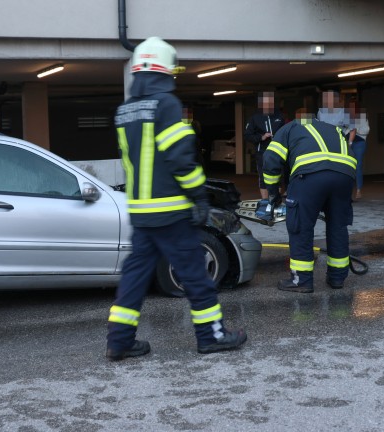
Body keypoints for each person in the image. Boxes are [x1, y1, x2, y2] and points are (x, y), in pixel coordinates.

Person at [106, 36, 247, 361]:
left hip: (141, 211)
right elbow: (181, 157)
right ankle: (212, 335)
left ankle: (120, 340)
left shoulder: (125, 110)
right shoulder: (165, 103)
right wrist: (199, 197)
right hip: (171, 210)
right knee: (194, 272)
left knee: (135, 275)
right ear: (163, 70)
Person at [262, 108, 356, 293]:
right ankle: (337, 278)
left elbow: (271, 159)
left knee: (300, 226)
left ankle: (302, 280)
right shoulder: (332, 128)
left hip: (310, 176)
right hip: (345, 176)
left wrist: (273, 194)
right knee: (338, 226)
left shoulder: (290, 127)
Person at [245, 91, 286, 199]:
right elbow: (247, 135)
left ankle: (276, 201)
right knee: (263, 178)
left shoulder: (279, 116)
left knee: (279, 176)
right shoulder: (255, 117)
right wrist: (261, 137)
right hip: (262, 152)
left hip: (278, 151)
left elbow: (285, 131)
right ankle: (265, 202)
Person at [344, 101, 370, 199]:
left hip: (359, 143)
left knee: (358, 165)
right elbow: (342, 129)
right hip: (347, 142)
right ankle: (348, 190)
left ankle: (359, 190)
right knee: (347, 166)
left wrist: (355, 129)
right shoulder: (346, 118)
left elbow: (366, 130)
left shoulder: (362, 117)